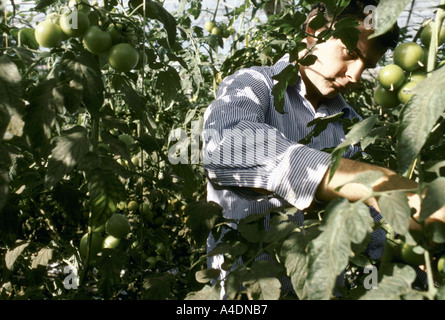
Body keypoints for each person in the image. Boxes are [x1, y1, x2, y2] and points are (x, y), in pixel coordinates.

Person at [201, 0, 445, 298]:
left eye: (366, 66)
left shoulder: (352, 125)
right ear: (314, 32)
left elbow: (370, 228)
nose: (355, 76)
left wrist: (411, 250)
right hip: (246, 293)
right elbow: (225, 146)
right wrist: (374, 182)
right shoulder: (254, 84)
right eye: (351, 54)